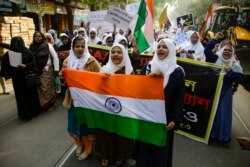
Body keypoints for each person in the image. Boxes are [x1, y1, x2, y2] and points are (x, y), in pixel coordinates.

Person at [137, 39, 185, 167]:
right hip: (147, 117)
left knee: (160, 151)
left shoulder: (177, 72)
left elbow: (179, 99)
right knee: (145, 149)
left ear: (171, 50)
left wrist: (174, 120)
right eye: (159, 47)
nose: (161, 49)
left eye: (165, 47)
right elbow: (139, 90)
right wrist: (151, 78)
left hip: (165, 120)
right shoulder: (147, 66)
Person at [61, 35, 101, 160]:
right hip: (73, 100)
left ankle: (88, 149)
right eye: (77, 46)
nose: (80, 48)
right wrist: (62, 77)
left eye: (82, 46)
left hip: (87, 102)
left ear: (86, 47)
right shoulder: (67, 62)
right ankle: (79, 144)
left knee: (86, 126)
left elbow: (99, 79)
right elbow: (64, 83)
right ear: (72, 47)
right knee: (73, 124)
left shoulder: (92, 61)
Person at [97, 43, 134, 167]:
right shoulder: (104, 70)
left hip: (124, 109)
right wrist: (102, 79)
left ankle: (121, 156)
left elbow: (135, 91)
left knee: (122, 134)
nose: (116, 55)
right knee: (106, 132)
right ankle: (106, 155)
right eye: (113, 52)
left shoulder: (129, 71)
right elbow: (97, 90)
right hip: (107, 107)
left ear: (124, 54)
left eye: (119, 52)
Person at [204, 32, 243, 143]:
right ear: (221, 50)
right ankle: (207, 134)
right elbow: (207, 51)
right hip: (213, 89)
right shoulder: (215, 58)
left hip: (225, 93)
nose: (227, 52)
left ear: (233, 53)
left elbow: (239, 79)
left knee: (221, 113)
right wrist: (215, 39)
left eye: (229, 51)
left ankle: (219, 136)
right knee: (210, 110)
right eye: (225, 50)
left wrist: (230, 71)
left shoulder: (235, 64)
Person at [1, 37, 40, 120]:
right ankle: (28, 113)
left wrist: (25, 66)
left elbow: (33, 64)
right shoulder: (9, 54)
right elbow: (4, 63)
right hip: (18, 78)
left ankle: (29, 113)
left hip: (26, 77)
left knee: (27, 95)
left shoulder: (27, 52)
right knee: (22, 96)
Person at [29, 31, 60, 111]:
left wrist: (56, 70)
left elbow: (55, 57)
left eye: (39, 36)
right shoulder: (32, 46)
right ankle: (43, 104)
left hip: (47, 70)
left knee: (47, 88)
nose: (37, 38)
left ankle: (51, 104)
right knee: (40, 88)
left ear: (42, 37)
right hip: (36, 70)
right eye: (36, 36)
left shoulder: (47, 45)